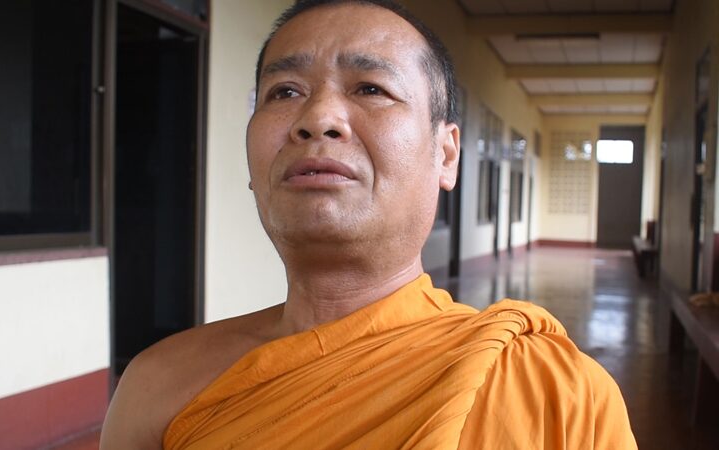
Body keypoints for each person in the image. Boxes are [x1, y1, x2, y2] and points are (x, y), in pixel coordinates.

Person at [100, 0, 638, 448]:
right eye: (284, 92)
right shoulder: (158, 385)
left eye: (371, 89)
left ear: (446, 154)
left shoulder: (560, 396)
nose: (317, 119)